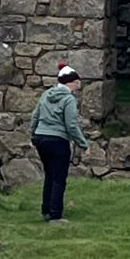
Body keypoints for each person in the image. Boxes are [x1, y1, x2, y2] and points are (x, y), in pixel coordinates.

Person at [30, 64, 88, 223]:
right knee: (59, 178)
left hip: (41, 138)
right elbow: (71, 125)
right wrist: (83, 144)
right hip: (57, 141)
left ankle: (46, 210)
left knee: (49, 175)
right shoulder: (68, 99)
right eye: (77, 83)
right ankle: (56, 215)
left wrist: (33, 134)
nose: (78, 86)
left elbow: (35, 116)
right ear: (70, 83)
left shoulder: (46, 94)